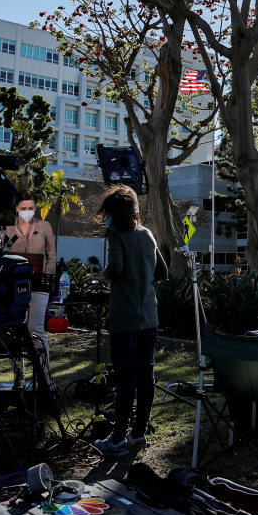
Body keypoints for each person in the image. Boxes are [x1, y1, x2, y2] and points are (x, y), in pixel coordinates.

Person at [94, 185, 167, 458]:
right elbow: (162, 272)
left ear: (113, 212)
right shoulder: (147, 234)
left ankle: (116, 440)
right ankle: (138, 434)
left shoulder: (115, 233)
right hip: (150, 316)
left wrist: (102, 276)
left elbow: (115, 268)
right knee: (146, 374)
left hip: (125, 319)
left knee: (125, 378)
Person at [3, 191, 57, 366]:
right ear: (17, 208)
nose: (27, 211)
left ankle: (44, 378)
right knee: (15, 331)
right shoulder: (8, 228)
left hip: (39, 284)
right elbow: (0, 253)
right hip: (13, 285)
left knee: (35, 329)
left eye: (31, 208)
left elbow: (52, 255)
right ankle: (18, 378)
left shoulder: (44, 226)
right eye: (23, 208)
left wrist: (45, 274)